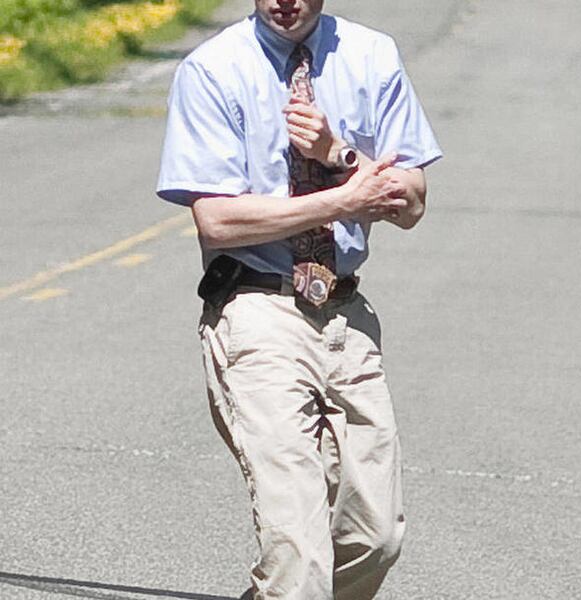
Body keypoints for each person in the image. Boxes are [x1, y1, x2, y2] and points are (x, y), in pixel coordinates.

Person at [155, 1, 442, 598]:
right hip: (258, 312)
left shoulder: (372, 56)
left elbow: (410, 203)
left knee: (376, 537)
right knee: (299, 552)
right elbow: (218, 222)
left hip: (347, 317)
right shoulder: (213, 70)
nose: (284, 1)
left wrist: (339, 157)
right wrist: (341, 201)